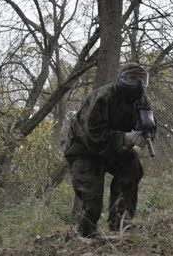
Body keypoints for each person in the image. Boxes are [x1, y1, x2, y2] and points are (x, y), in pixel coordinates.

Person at [64, 62, 155, 237]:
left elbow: (149, 123)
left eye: (142, 80)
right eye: (131, 79)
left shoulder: (141, 100)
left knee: (132, 167)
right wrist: (125, 138)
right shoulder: (102, 97)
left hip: (113, 148)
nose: (137, 85)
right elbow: (93, 135)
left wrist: (146, 133)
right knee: (92, 199)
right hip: (84, 149)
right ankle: (86, 234)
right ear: (120, 79)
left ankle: (120, 224)